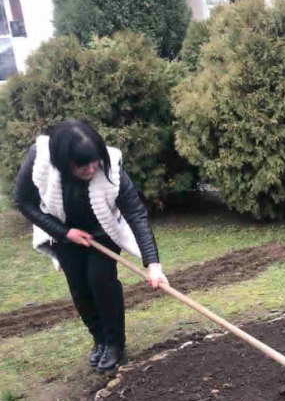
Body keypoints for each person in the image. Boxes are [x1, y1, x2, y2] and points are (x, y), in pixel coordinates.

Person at [13, 119, 169, 371]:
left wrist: (152, 264)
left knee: (101, 283)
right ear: (63, 163)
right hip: (64, 233)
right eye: (82, 165)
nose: (91, 169)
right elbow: (23, 202)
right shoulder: (40, 160)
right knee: (79, 289)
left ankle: (115, 344)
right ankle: (100, 340)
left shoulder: (111, 167)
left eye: (95, 160)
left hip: (103, 231)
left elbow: (136, 214)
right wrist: (65, 233)